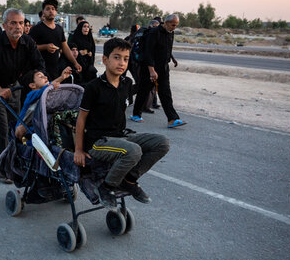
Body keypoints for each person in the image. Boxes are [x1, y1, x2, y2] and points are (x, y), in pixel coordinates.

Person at [74, 38, 170, 207]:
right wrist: (79, 150)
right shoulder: (93, 87)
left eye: (126, 59)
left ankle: (130, 179)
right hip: (97, 142)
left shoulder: (127, 83)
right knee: (133, 151)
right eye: (117, 57)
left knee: (162, 143)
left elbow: (122, 111)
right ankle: (107, 186)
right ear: (105, 60)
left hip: (119, 138)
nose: (122, 63)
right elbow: (81, 120)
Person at [0, 8, 45, 169]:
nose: (18, 27)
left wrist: (38, 80)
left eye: (21, 23)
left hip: (14, 88)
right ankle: (6, 167)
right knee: (2, 129)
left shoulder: (28, 42)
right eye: (13, 23)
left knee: (15, 128)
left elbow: (39, 64)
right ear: (4, 25)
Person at [130, 14, 186, 128]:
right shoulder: (154, 33)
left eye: (176, 25)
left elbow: (167, 48)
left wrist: (173, 59)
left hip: (163, 68)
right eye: (173, 25)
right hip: (150, 67)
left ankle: (172, 119)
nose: (174, 27)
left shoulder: (171, 33)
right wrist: (151, 70)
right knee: (144, 90)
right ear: (166, 23)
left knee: (165, 92)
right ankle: (136, 114)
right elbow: (148, 52)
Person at [29, 0, 81, 80]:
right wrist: (45, 47)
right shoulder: (36, 29)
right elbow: (29, 47)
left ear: (56, 12)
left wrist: (75, 63)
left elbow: (65, 48)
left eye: (53, 9)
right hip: (39, 70)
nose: (51, 11)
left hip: (54, 69)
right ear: (43, 12)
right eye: (48, 9)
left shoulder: (59, 29)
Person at [14, 67, 72, 140]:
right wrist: (56, 82)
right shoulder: (30, 95)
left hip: (39, 125)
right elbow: (45, 89)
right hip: (24, 128)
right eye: (40, 77)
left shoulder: (45, 92)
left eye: (44, 75)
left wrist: (62, 77)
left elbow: (48, 87)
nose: (45, 77)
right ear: (32, 85)